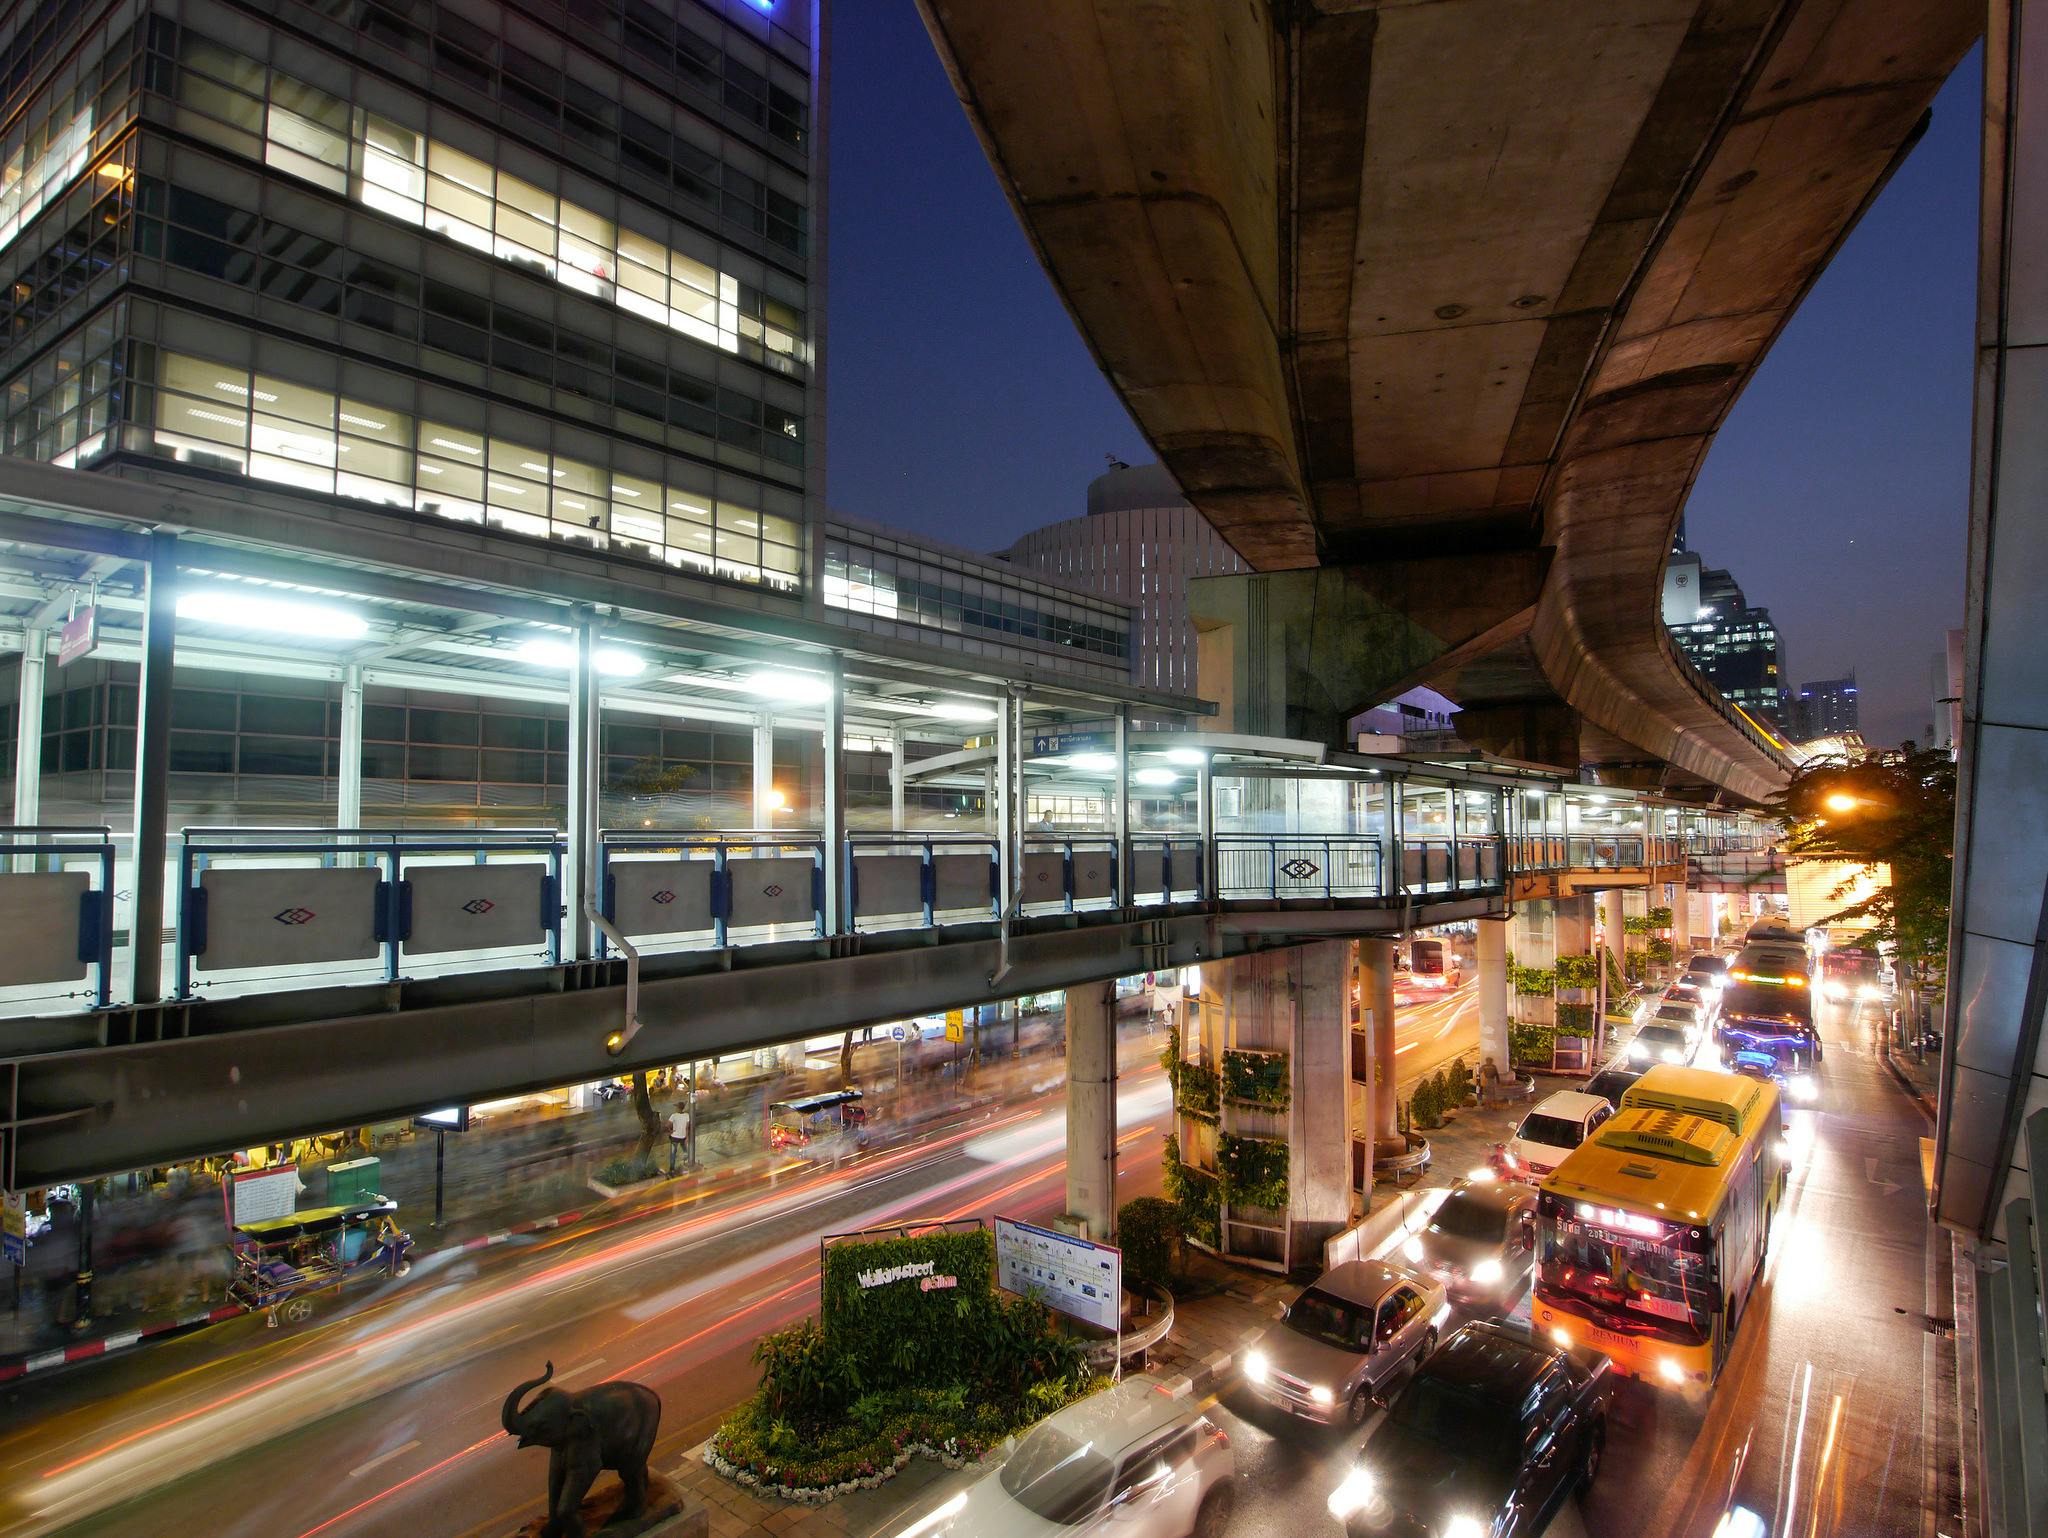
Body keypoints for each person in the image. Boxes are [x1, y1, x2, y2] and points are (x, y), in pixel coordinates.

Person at [666, 1100, 692, 1174]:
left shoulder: (673, 1115)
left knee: (673, 1154)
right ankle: (685, 1162)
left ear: (678, 1108)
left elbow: (667, 1125)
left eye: (676, 1107)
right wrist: (687, 1137)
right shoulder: (687, 1115)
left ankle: (672, 1169)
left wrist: (670, 1131)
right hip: (683, 1137)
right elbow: (687, 1128)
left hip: (674, 1137)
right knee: (685, 1151)